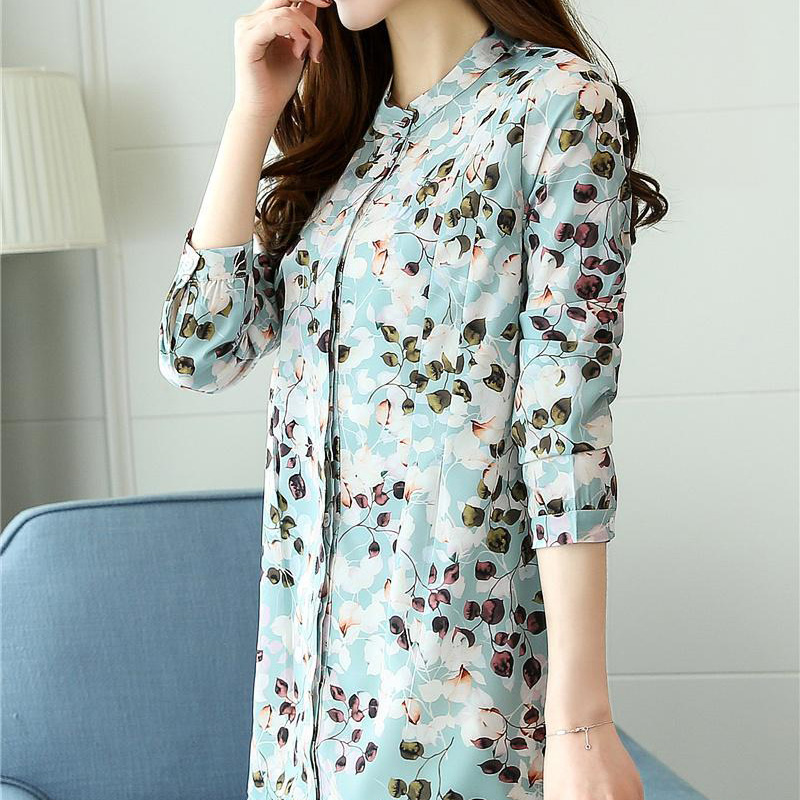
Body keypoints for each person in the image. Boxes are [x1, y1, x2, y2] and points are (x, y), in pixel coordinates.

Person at [157, 1, 668, 798]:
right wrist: (253, 112)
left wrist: (581, 722)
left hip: (455, 687)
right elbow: (198, 352)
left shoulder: (555, 103)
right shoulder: (350, 134)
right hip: (303, 710)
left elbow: (564, 432)